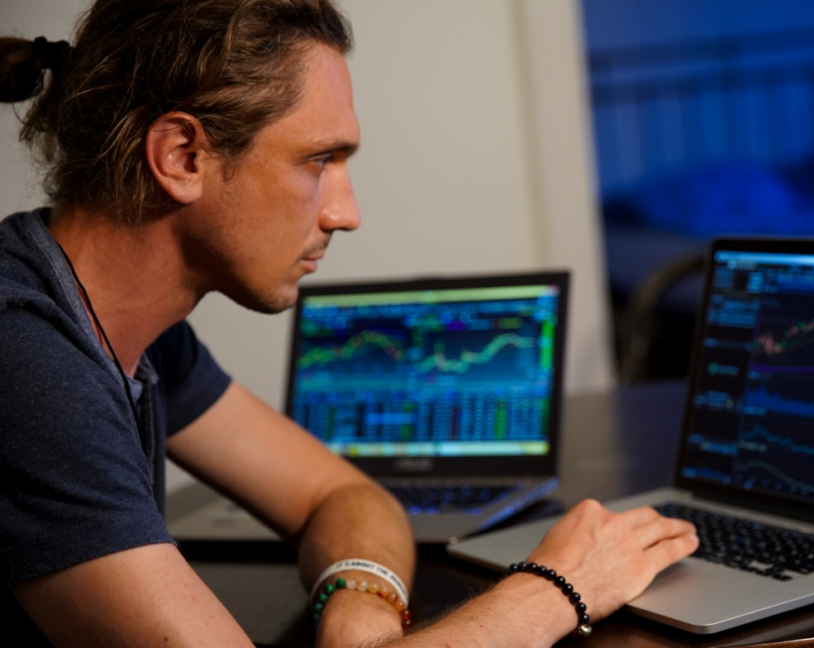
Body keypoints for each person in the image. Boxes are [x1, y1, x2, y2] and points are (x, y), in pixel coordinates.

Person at [0, 1, 699, 646]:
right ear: (183, 156)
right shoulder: (24, 357)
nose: (346, 212)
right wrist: (557, 590)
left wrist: (360, 598)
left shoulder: (138, 333)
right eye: (319, 160)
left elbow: (341, 493)